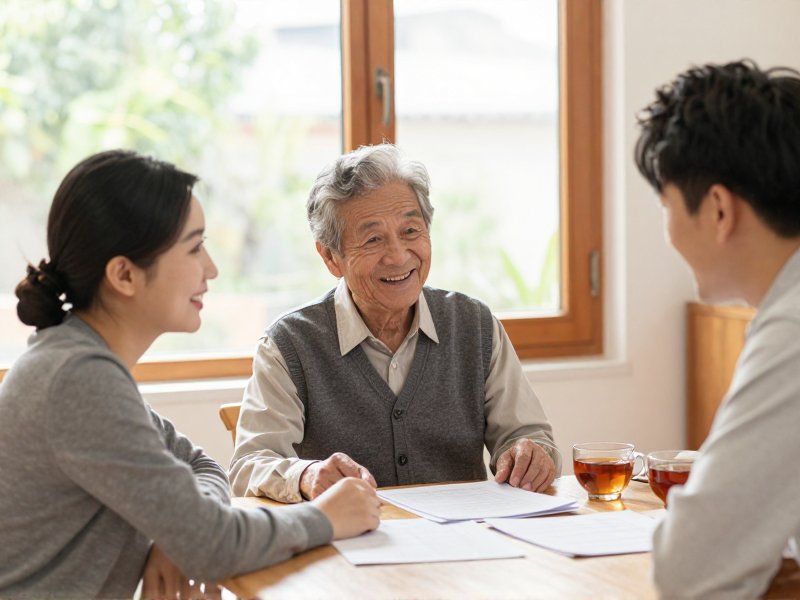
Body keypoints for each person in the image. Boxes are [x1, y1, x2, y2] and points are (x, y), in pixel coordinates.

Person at [0, 150, 380, 599]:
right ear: (124, 275)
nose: (212, 269)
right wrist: (328, 517)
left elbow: (202, 466)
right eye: (195, 247)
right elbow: (215, 544)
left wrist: (179, 534)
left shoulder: (79, 362)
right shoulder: (78, 381)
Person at [229, 143, 560, 504]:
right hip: (349, 545)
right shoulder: (289, 344)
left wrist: (530, 454)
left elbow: (528, 435)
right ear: (330, 257)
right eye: (373, 239)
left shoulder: (475, 326)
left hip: (466, 545)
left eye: (411, 232)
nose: (399, 256)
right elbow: (250, 465)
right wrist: (306, 475)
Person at [634, 59, 800, 598]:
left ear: (719, 209)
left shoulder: (791, 332)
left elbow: (690, 568)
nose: (667, 230)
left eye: (666, 205)